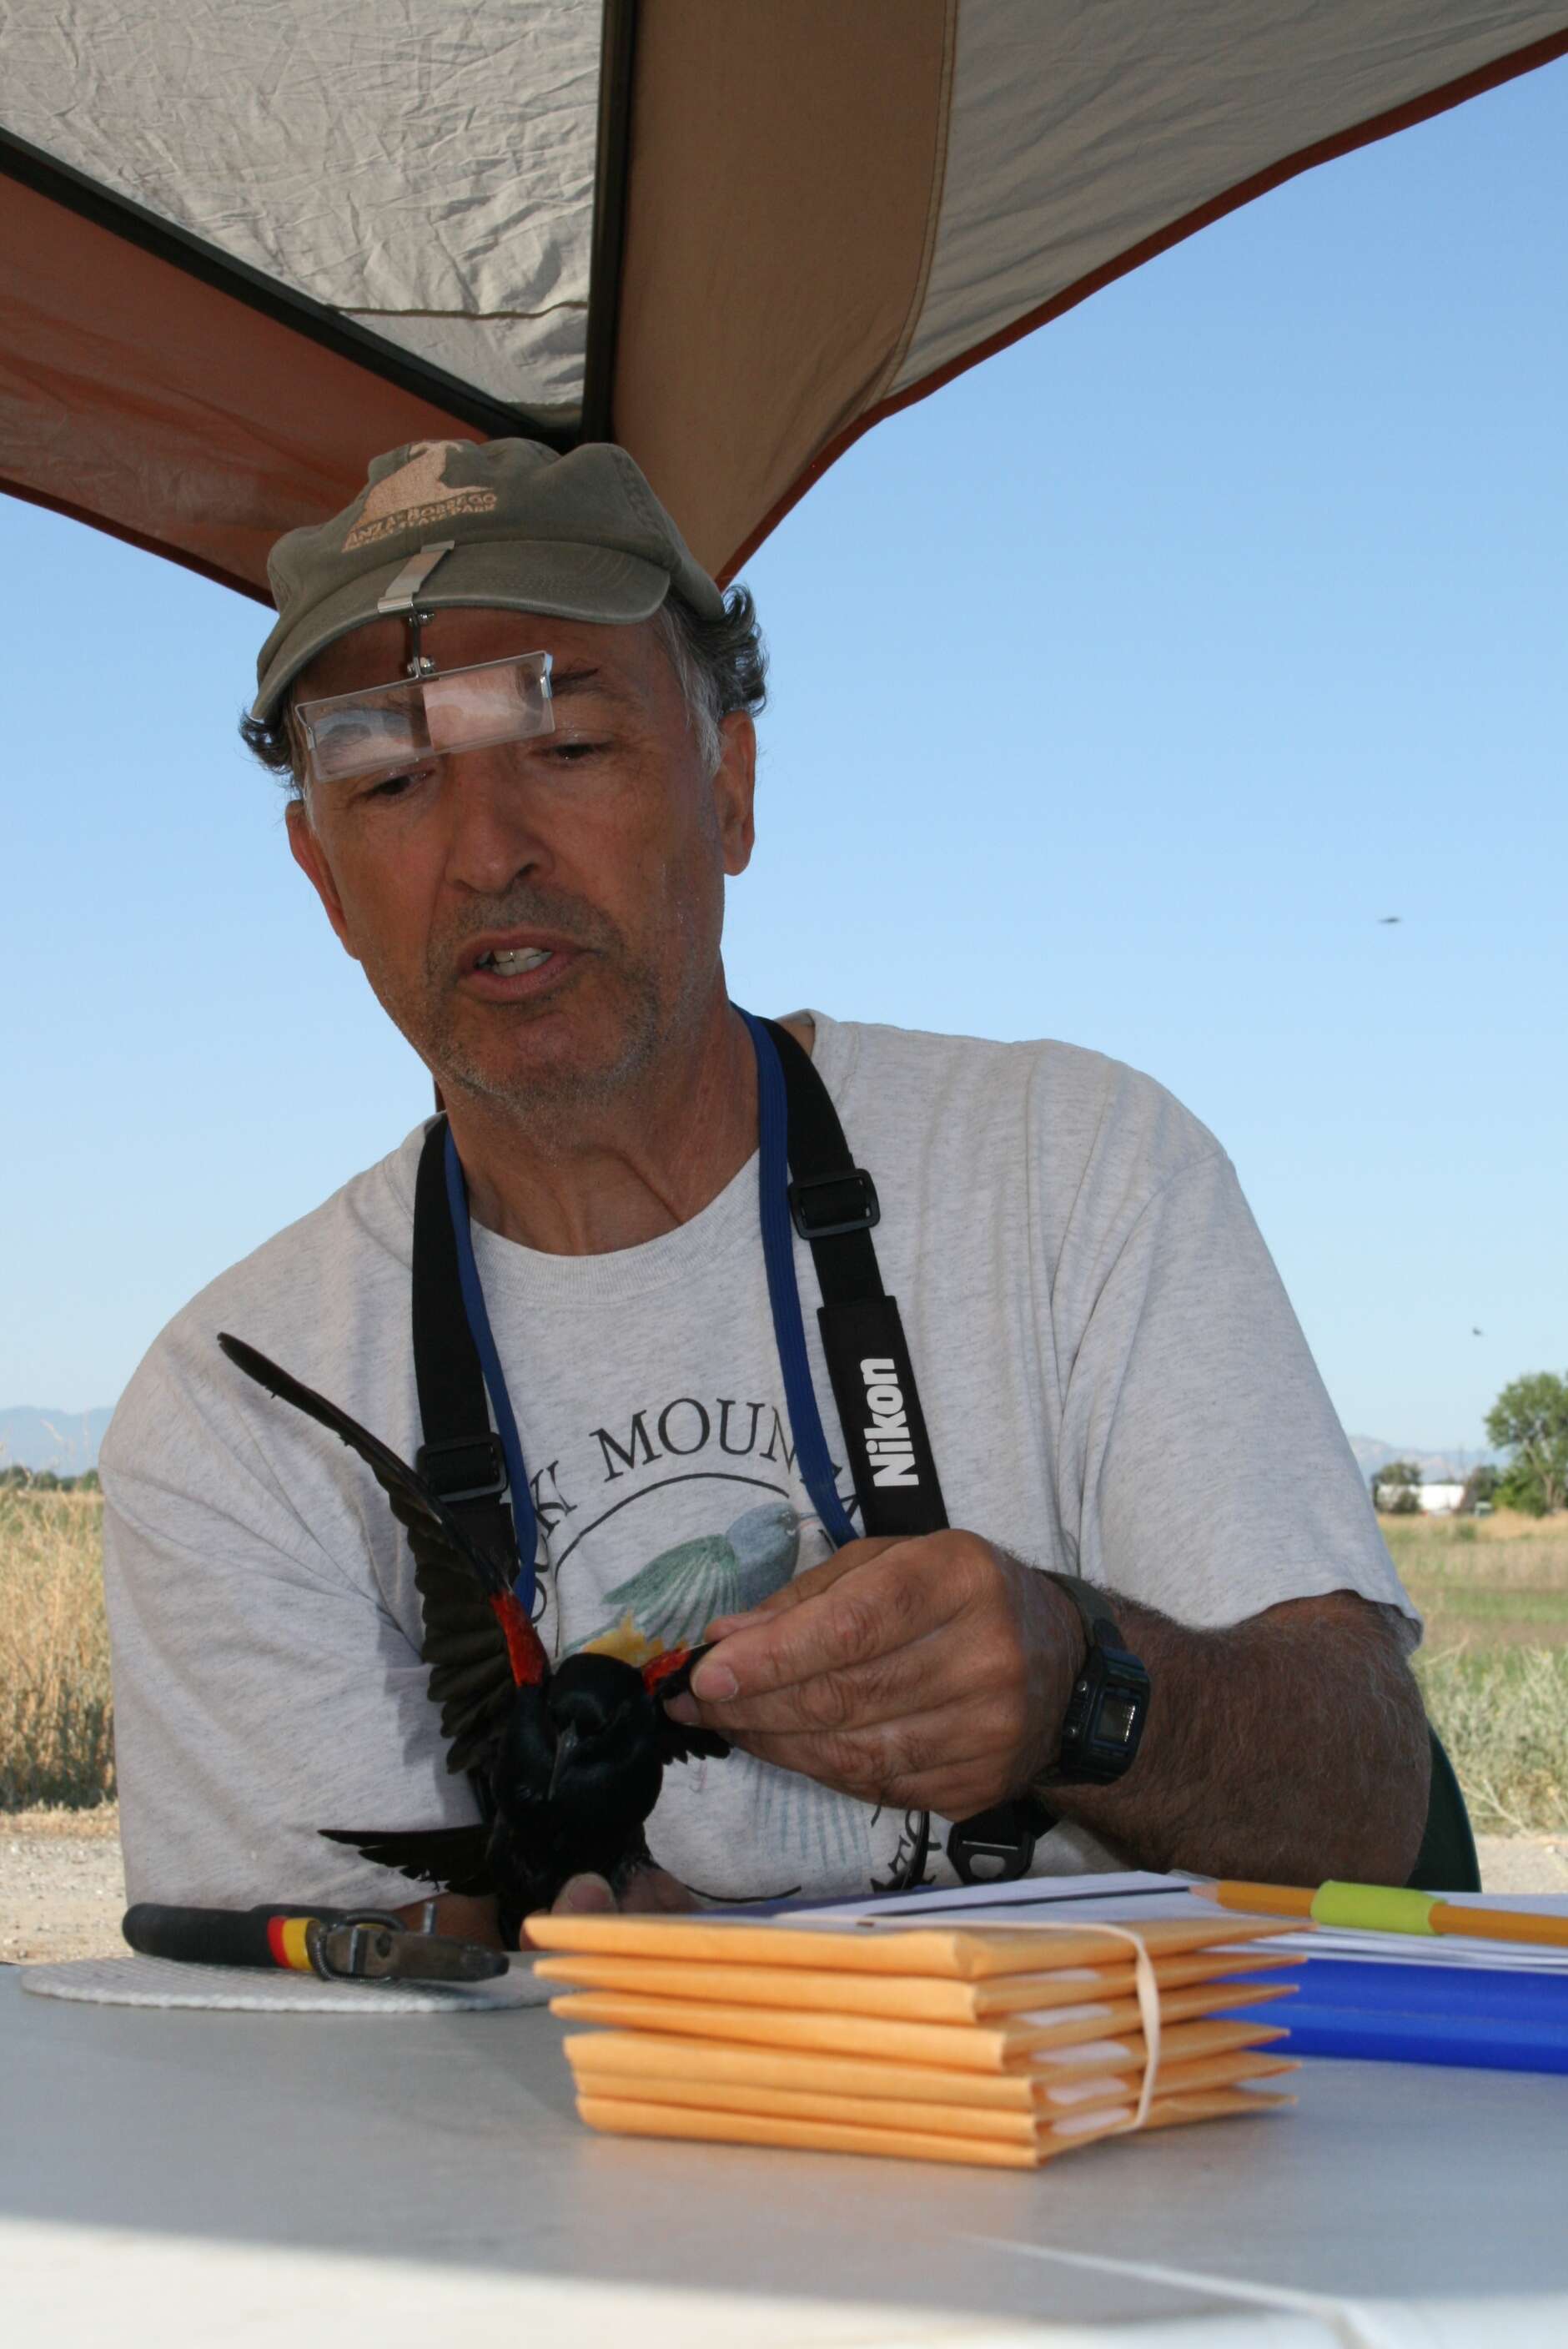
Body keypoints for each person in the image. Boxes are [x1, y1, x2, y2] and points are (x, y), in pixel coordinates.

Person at [101, 436, 1430, 1942]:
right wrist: (560, 1983)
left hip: (1115, 2144)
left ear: (728, 786)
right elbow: (306, 2079)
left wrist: (1081, 1683)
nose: (485, 855)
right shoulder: (238, 1414)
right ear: (325, 883)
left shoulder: (1075, 1167)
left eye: (566, 745)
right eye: (393, 779)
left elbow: (1366, 1805)